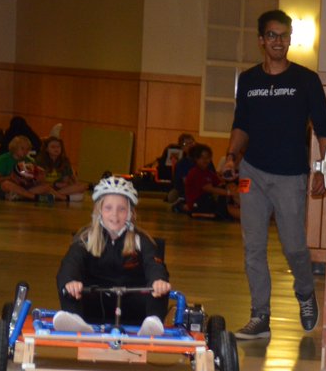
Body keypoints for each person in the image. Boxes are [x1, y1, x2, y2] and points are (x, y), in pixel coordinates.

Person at [219, 8, 326, 339]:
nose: (278, 41)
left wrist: (324, 169)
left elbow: (324, 128)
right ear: (261, 40)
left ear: (290, 39)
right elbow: (242, 125)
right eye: (272, 35)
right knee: (252, 247)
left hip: (290, 176)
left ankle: (305, 291)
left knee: (295, 246)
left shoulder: (306, 80)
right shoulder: (250, 81)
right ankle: (260, 317)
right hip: (251, 172)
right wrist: (230, 157)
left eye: (284, 35)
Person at [53, 176, 171, 336]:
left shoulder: (141, 240)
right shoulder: (85, 239)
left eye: (121, 209)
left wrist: (158, 281)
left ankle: (153, 322)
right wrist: (70, 281)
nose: (114, 215)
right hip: (95, 303)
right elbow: (70, 263)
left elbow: (154, 264)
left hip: (133, 307)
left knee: (159, 288)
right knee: (67, 285)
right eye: (108, 208)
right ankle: (74, 318)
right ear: (99, 211)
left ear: (130, 213)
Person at [184, 144, 239, 221]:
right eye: (202, 158)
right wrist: (230, 193)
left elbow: (220, 182)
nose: (206, 160)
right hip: (198, 203)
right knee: (221, 208)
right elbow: (209, 189)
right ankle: (203, 214)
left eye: (208, 158)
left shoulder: (208, 172)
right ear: (195, 159)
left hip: (207, 201)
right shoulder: (195, 172)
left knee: (227, 187)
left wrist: (231, 185)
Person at [0, 135, 55, 201]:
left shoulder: (30, 160)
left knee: (46, 186)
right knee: (6, 184)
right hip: (7, 189)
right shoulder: (4, 159)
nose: (25, 151)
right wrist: (10, 177)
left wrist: (40, 175)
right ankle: (34, 197)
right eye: (22, 148)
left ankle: (20, 196)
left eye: (27, 149)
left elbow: (36, 180)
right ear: (14, 147)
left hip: (24, 188)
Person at [35, 136, 87, 202]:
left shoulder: (64, 161)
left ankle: (54, 196)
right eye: (53, 147)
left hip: (60, 189)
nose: (56, 149)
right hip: (46, 187)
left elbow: (66, 180)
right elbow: (39, 181)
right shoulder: (40, 160)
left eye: (58, 147)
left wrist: (75, 185)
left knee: (82, 186)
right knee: (45, 188)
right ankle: (61, 197)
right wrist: (55, 184)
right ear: (46, 149)